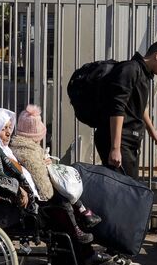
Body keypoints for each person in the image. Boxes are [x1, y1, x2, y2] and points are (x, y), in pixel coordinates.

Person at [0, 107, 108, 265]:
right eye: (3, 128)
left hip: (14, 204)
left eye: (9, 128)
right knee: (60, 216)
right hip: (5, 210)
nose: (8, 132)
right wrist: (17, 188)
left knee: (61, 213)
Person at [93, 39, 157, 265]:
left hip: (128, 142)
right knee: (124, 196)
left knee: (124, 194)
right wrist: (115, 147)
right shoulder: (129, 69)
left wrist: (152, 130)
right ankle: (116, 253)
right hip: (118, 142)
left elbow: (138, 106)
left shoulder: (143, 73)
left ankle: (115, 250)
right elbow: (117, 108)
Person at [10, 104, 102, 244]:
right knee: (63, 195)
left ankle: (84, 213)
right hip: (39, 198)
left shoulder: (23, 148)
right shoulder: (29, 152)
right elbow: (43, 184)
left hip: (33, 191)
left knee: (63, 188)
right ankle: (77, 226)